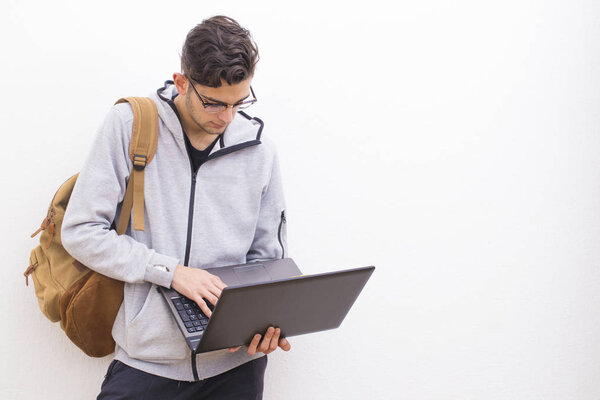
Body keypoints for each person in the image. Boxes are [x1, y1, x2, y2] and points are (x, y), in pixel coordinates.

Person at [61, 15, 290, 399]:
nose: (227, 117)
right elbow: (81, 231)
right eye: (215, 103)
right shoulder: (130, 124)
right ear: (182, 82)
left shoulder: (259, 149)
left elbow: (266, 257)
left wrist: (265, 323)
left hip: (235, 369)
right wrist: (172, 272)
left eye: (240, 101)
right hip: (146, 363)